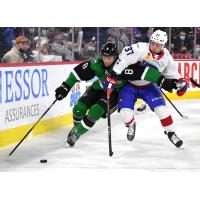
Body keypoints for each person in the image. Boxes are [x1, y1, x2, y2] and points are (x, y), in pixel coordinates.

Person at [55, 42, 181, 147]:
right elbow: (76, 74)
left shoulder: (125, 65)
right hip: (97, 88)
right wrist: (64, 87)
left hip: (114, 93)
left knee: (95, 111)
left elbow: (146, 73)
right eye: (104, 56)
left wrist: (163, 82)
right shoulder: (96, 63)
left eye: (109, 58)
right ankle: (76, 128)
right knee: (78, 109)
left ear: (115, 57)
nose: (105, 60)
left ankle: (77, 134)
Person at [112, 30, 187, 148]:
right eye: (152, 43)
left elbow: (172, 75)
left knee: (162, 110)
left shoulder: (167, 58)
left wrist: (180, 83)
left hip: (149, 86)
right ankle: (131, 124)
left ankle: (171, 133)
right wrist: (115, 72)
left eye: (158, 45)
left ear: (163, 46)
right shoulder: (139, 48)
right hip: (130, 85)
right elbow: (123, 59)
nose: (154, 46)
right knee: (125, 114)